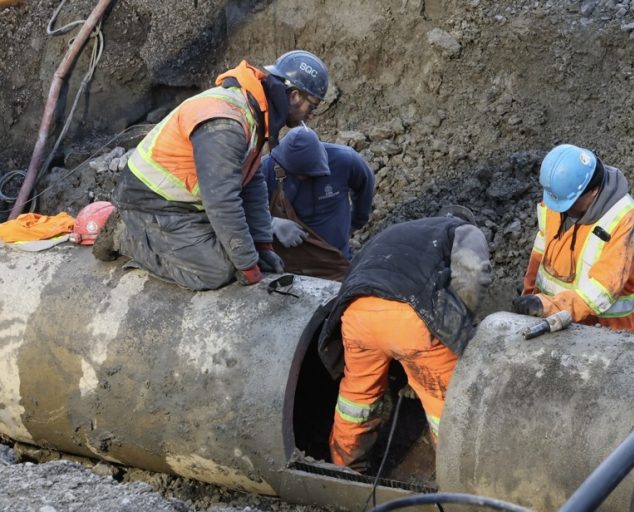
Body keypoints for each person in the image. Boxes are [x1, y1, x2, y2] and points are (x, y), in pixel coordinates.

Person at [93, 50, 330, 290]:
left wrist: (262, 245)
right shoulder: (227, 123)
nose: (310, 116)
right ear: (295, 96)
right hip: (150, 203)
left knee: (233, 249)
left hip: (186, 204)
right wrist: (247, 264)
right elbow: (222, 201)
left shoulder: (255, 113)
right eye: (313, 106)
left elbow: (252, 181)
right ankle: (124, 234)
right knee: (216, 271)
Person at [316, 208, 493, 471]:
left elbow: (356, 273)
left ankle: (345, 467)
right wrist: (457, 326)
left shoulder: (395, 232)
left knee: (357, 397)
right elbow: (475, 273)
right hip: (410, 319)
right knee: (444, 402)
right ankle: (455, 474)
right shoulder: (463, 230)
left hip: (356, 314)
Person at [513, 144, 634, 331]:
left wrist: (549, 306)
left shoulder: (625, 220)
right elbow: (540, 251)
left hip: (603, 334)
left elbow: (603, 290)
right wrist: (530, 297)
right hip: (550, 322)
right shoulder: (560, 199)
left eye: (569, 204)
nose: (561, 210)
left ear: (593, 191)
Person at [260, 124, 375, 280]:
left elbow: (364, 187)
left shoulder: (345, 160)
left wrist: (356, 223)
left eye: (307, 174)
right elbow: (241, 208)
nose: (301, 178)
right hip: (288, 266)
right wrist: (272, 223)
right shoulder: (267, 168)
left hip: (334, 262)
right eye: (296, 174)